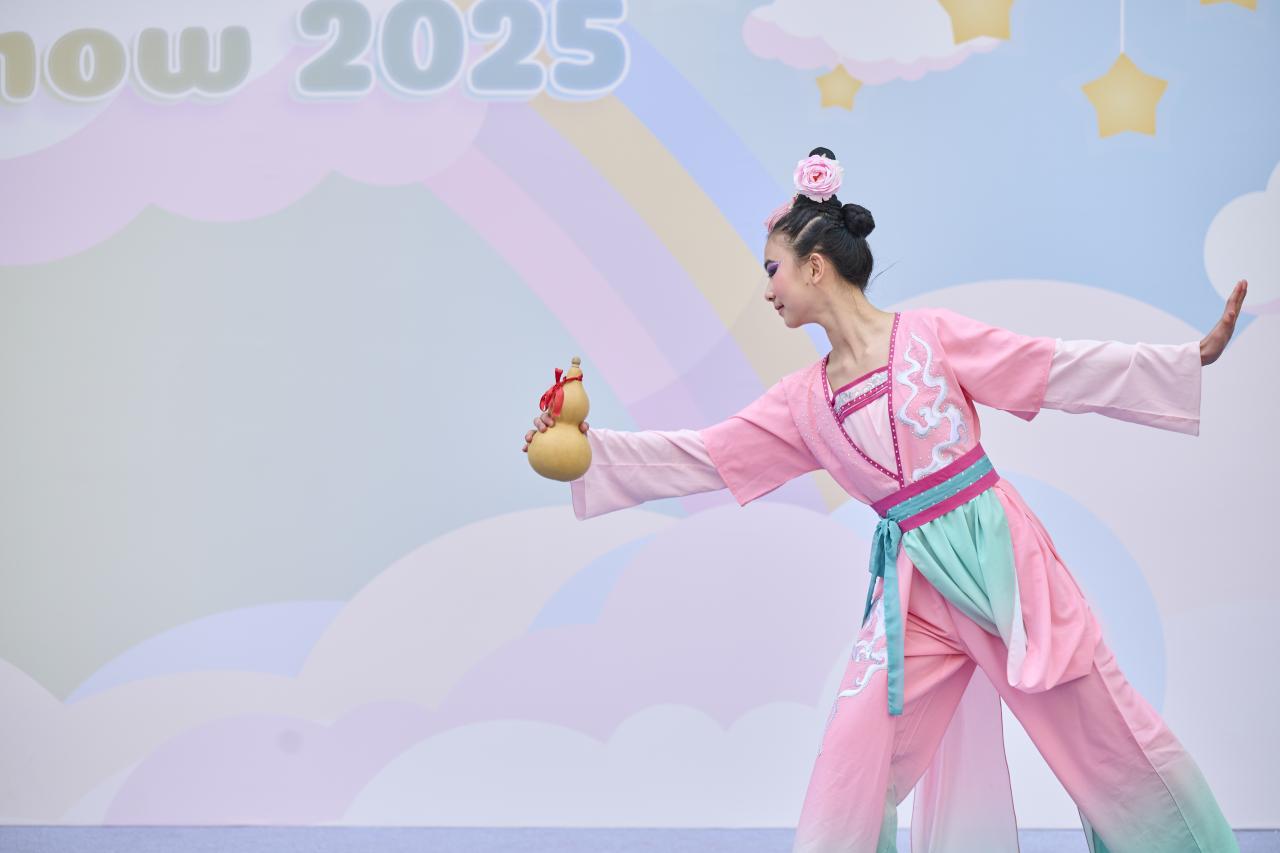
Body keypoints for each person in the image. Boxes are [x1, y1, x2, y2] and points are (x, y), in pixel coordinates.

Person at [521, 147, 1247, 852]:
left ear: (814, 265)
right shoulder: (803, 402)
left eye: (772, 269)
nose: (768, 290)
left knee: (1106, 735)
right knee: (852, 750)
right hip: (915, 593)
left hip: (1003, 567)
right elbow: (709, 454)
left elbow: (1049, 367)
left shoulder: (930, 338)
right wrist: (588, 451)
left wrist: (1186, 360)